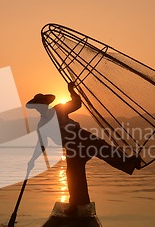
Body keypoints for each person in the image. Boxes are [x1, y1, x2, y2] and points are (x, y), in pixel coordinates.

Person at [26, 82, 141, 214]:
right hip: (72, 148)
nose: (40, 107)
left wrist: (71, 91)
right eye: (38, 106)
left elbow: (76, 103)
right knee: (73, 175)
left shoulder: (58, 110)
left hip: (81, 137)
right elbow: (42, 144)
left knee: (105, 149)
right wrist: (33, 160)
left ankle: (131, 162)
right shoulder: (42, 124)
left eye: (41, 104)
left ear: (45, 104)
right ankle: (78, 204)